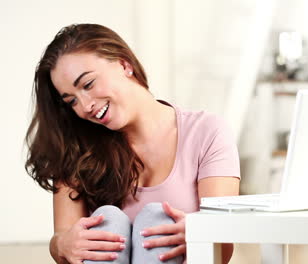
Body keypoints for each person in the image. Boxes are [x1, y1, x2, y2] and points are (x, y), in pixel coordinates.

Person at [25, 23, 240, 264]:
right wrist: (62, 244)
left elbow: (222, 249)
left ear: (124, 64)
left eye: (88, 85)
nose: (85, 106)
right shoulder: (76, 147)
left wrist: (198, 234)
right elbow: (63, 240)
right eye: (72, 101)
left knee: (158, 219)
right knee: (108, 220)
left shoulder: (207, 131)